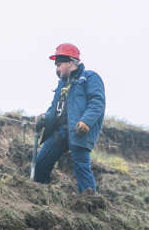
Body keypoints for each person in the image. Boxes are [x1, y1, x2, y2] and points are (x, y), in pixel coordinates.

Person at [32, 43, 106, 194]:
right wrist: (45, 116)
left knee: (81, 166)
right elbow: (55, 107)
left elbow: (97, 102)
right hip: (61, 131)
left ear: (71, 63)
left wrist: (86, 121)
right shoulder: (62, 84)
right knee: (41, 162)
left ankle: (89, 202)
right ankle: (42, 195)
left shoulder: (89, 77)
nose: (57, 69)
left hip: (78, 130)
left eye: (59, 64)